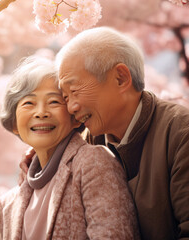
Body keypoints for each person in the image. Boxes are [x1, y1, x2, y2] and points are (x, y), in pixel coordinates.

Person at [20, 27, 189, 239]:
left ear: (120, 78)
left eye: (74, 91)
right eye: (64, 97)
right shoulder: (92, 138)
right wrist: (43, 154)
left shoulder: (181, 134)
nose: (71, 107)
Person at [0, 56, 139, 239]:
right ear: (14, 123)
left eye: (54, 102)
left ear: (74, 116)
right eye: (28, 103)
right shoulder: (6, 205)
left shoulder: (93, 164)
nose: (41, 113)